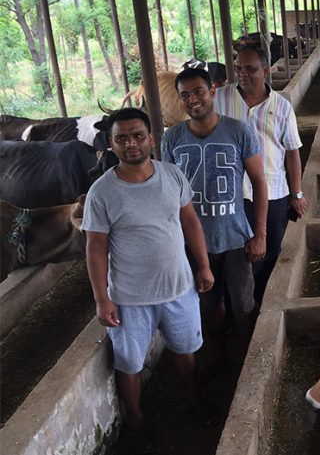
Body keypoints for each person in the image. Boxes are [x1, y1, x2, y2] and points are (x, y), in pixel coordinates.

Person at [82, 108, 218, 454]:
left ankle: (195, 399)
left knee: (185, 351)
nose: (131, 144)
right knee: (129, 364)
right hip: (128, 297)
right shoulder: (102, 192)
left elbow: (190, 223)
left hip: (178, 288)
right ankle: (136, 422)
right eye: (122, 138)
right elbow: (95, 248)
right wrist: (102, 298)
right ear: (111, 144)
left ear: (151, 138)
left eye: (137, 135)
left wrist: (203, 266)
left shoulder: (172, 176)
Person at [162, 68, 268, 367]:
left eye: (198, 91)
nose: (193, 100)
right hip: (195, 244)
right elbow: (168, 191)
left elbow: (259, 182)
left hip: (235, 236)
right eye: (185, 95)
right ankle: (219, 356)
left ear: (212, 92)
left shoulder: (238, 130)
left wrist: (259, 234)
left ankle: (249, 360)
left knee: (243, 303)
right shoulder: (173, 138)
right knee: (208, 305)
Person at [214, 44, 308, 307]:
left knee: (268, 252)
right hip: (230, 194)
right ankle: (237, 308)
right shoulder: (220, 99)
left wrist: (296, 193)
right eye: (239, 68)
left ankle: (260, 304)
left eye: (250, 69)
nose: (243, 74)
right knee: (234, 255)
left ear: (265, 71)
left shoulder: (282, 107)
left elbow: (292, 152)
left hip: (274, 192)